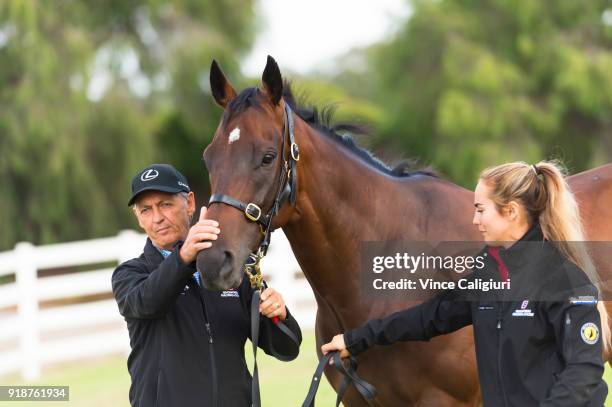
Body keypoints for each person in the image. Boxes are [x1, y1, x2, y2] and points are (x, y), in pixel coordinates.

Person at [322, 161, 609, 406]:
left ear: (511, 212)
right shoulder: (489, 274)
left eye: (481, 210)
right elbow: (430, 317)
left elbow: (584, 372)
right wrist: (355, 340)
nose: (474, 219)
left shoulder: (567, 282)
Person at [112, 163, 302, 407]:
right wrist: (185, 257)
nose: (157, 218)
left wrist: (279, 315)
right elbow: (149, 302)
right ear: (138, 218)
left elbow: (287, 349)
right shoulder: (130, 274)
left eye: (165, 205)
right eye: (146, 210)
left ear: (189, 203)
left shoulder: (231, 268)